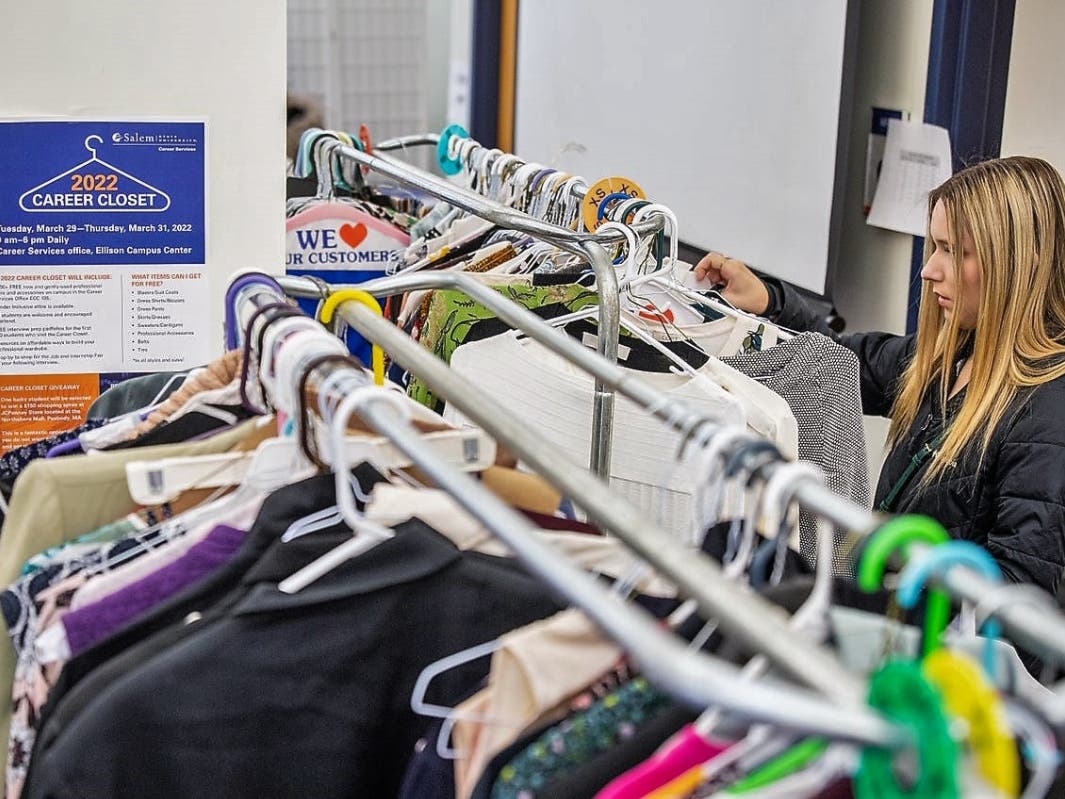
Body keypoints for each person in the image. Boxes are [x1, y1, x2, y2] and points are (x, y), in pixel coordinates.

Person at [694, 155, 1065, 597]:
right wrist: (771, 302)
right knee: (727, 547)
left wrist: (863, 606)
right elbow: (836, 362)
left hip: (921, 643)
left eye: (956, 251)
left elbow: (1019, 602)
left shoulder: (1048, 413)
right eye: (936, 247)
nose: (929, 270)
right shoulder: (950, 359)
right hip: (882, 599)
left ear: (1024, 262)